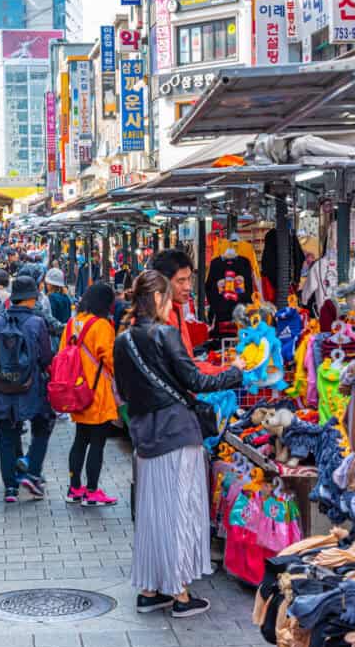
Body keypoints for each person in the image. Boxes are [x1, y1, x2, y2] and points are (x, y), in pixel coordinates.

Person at [113, 270, 244, 619]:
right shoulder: (165, 333)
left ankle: (149, 590)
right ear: (157, 299)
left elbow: (123, 392)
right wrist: (236, 369)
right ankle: (181, 594)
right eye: (169, 297)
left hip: (145, 436)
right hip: (177, 433)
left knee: (153, 512)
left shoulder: (122, 340)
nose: (172, 304)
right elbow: (196, 380)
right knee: (181, 511)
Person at [0, 275, 54, 502]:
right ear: (32, 298)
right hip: (30, 389)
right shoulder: (37, 323)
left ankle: (10, 489)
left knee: (6, 437)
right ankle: (32, 472)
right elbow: (45, 357)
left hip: (2, 388)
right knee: (42, 428)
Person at [62, 282, 119, 506]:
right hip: (97, 394)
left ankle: (74, 488)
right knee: (97, 443)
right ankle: (92, 491)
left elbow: (62, 353)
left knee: (80, 439)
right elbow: (111, 359)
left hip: (76, 392)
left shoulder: (71, 323)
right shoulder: (102, 325)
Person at [151, 249, 220, 375]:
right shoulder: (157, 316)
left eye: (189, 279)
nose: (188, 287)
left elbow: (186, 362)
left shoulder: (176, 308)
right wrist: (228, 372)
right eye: (180, 281)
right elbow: (182, 370)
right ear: (162, 282)